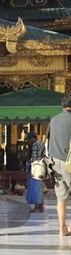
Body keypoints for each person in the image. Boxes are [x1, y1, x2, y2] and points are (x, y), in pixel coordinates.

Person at [47, 94, 71, 236]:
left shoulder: (54, 119)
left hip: (54, 162)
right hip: (69, 161)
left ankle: (62, 228)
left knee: (61, 197)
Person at [25, 131, 45, 212]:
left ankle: (36, 207)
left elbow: (33, 159)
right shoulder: (41, 144)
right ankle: (41, 206)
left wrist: (27, 163)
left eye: (29, 139)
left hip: (35, 169)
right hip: (41, 168)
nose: (28, 141)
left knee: (34, 188)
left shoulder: (34, 145)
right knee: (39, 187)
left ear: (32, 138)